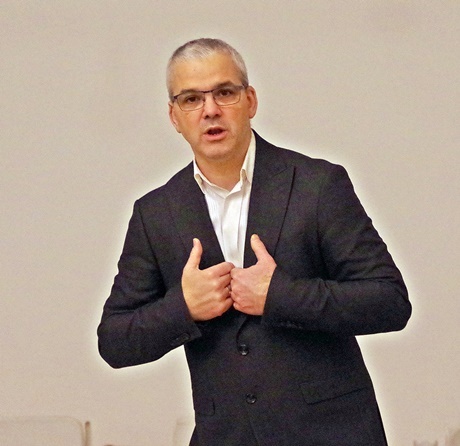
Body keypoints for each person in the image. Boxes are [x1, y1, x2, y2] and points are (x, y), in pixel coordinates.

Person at [97, 38, 411, 446]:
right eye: (191, 99)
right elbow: (115, 341)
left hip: (332, 434)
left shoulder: (317, 185)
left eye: (224, 93)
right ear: (174, 117)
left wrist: (280, 295)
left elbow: (389, 301)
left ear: (250, 101)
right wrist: (184, 307)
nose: (210, 110)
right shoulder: (155, 213)